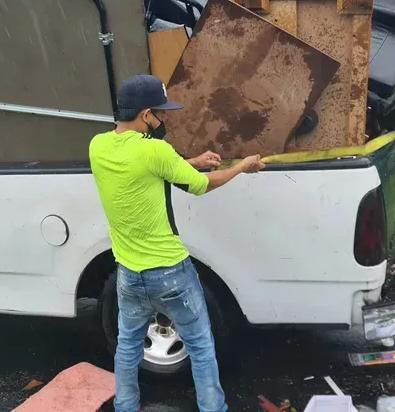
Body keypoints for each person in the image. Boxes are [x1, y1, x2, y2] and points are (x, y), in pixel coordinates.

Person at [89, 74, 265, 412]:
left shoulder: (98, 146)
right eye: (159, 113)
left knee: (127, 346)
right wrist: (242, 167)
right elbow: (201, 185)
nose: (162, 119)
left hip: (128, 273)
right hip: (171, 273)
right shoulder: (155, 149)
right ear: (145, 115)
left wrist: (192, 162)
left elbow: (146, 169)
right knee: (200, 345)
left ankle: (125, 407)